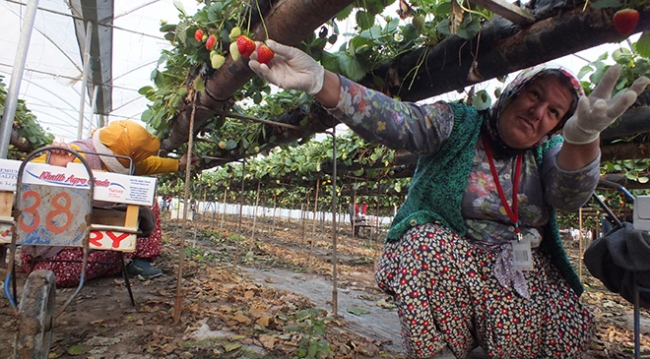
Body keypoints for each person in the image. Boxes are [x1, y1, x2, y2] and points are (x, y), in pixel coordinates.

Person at [248, 40, 650, 358]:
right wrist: (323, 83)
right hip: (451, 265)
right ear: (513, 90)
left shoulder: (548, 153)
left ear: (557, 126)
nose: (537, 112)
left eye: (554, 112)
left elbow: (568, 197)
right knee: (425, 243)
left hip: (517, 270)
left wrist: (582, 139)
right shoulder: (456, 123)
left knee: (571, 324)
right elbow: (395, 120)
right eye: (535, 95)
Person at [20, 120, 196, 287]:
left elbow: (149, 164)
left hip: (56, 249)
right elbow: (26, 175)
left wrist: (178, 164)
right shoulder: (74, 154)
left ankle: (129, 258)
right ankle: (130, 260)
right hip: (55, 253)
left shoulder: (121, 158)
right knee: (141, 213)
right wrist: (54, 169)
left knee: (142, 198)